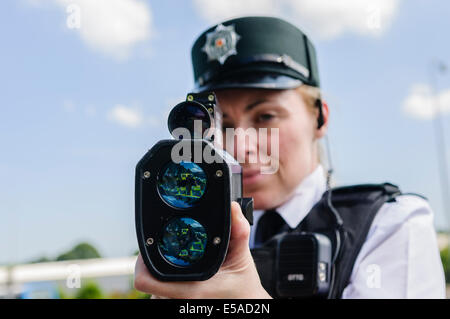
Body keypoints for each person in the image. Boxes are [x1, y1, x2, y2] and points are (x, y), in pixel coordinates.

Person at [134, 16, 446, 299]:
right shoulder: (202, 236)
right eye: (224, 125)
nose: (239, 147)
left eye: (265, 116)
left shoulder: (390, 223)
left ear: (319, 118)